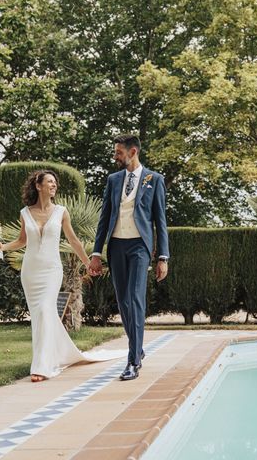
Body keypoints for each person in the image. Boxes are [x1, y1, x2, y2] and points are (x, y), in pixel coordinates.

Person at [0, 170, 124, 382]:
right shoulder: (25, 213)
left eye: (55, 182)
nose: (54, 185)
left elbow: (74, 241)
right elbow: (22, 241)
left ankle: (41, 366)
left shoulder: (61, 212)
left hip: (51, 271)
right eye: (49, 182)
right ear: (38, 186)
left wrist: (88, 262)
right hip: (30, 272)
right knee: (40, 316)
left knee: (46, 309)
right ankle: (53, 356)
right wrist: (0, 246)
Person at [88, 134, 169, 381]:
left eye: (119, 152)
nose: (115, 156)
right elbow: (104, 219)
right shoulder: (113, 180)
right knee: (123, 301)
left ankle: (133, 361)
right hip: (116, 246)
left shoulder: (154, 180)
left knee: (135, 298)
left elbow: (160, 221)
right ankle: (138, 347)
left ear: (133, 152)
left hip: (139, 247)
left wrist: (163, 256)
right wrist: (96, 253)